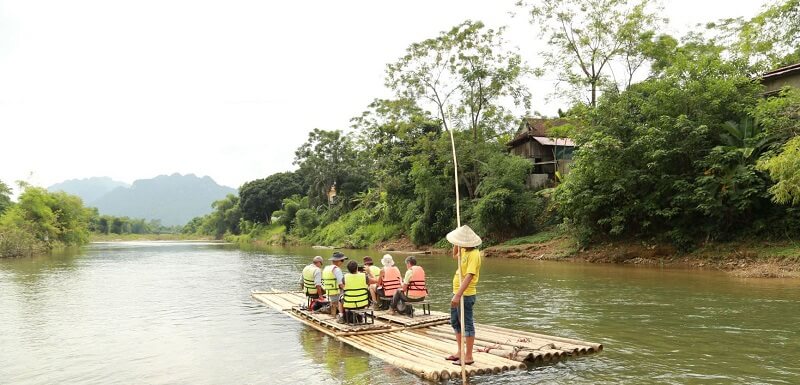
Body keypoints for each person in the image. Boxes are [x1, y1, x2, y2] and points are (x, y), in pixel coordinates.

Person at [445, 225, 482, 366]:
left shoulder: (474, 254)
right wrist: (457, 242)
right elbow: (455, 256)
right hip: (457, 292)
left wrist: (458, 295)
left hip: (465, 295)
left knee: (467, 324)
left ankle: (468, 356)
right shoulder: (464, 250)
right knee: (456, 322)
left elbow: (469, 276)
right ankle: (460, 351)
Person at [321, 252, 347, 318]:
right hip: (337, 293)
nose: (343, 262)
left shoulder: (326, 268)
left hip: (329, 292)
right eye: (342, 260)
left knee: (334, 302)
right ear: (338, 261)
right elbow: (341, 284)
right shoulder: (337, 270)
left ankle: (334, 314)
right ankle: (344, 316)